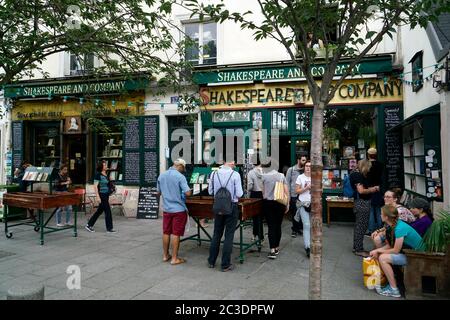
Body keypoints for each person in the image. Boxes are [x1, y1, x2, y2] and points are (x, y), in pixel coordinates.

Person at [370, 205, 423, 298]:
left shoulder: (399, 228)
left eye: (381, 214)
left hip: (417, 256)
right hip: (409, 253)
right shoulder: (392, 225)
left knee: (383, 258)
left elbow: (395, 250)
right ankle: (390, 282)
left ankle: (394, 290)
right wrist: (377, 250)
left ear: (386, 217)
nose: (380, 215)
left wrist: (378, 252)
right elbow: (391, 245)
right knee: (380, 255)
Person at [208, 160, 243, 271]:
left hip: (218, 205)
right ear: (230, 161)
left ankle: (211, 261)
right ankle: (225, 264)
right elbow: (239, 194)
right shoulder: (235, 174)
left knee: (216, 233)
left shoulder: (214, 173)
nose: (235, 163)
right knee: (229, 235)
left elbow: (210, 191)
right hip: (231, 206)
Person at [156, 158, 192, 265]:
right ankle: (174, 258)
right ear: (180, 166)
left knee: (166, 232)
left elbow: (158, 192)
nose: (183, 171)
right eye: (183, 168)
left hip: (167, 209)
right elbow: (188, 193)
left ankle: (165, 255)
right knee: (176, 233)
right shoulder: (180, 177)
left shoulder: (161, 175)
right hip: (179, 210)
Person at [350, 159, 379, 257]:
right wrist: (373, 189)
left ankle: (358, 247)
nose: (370, 169)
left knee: (361, 226)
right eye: (369, 167)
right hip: (362, 203)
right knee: (360, 226)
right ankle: (358, 249)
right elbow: (361, 191)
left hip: (362, 202)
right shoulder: (357, 175)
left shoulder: (357, 174)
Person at [261, 160, 289, 259]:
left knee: (271, 226)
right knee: (278, 225)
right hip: (280, 203)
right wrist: (287, 204)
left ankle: (272, 250)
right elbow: (286, 191)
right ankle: (276, 247)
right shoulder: (281, 176)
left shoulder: (264, 176)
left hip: (268, 203)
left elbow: (263, 192)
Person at [85, 160, 116, 233]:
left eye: (105, 165)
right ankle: (109, 228)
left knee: (99, 211)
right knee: (108, 211)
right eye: (104, 165)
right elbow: (95, 186)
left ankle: (89, 225)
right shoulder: (98, 175)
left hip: (106, 194)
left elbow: (108, 185)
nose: (106, 166)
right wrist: (97, 197)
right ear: (101, 167)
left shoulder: (106, 174)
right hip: (102, 195)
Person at [286, 155, 307, 237]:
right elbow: (287, 183)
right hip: (294, 195)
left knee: (303, 212)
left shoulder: (306, 170)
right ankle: (294, 230)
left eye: (305, 160)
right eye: (303, 160)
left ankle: (299, 229)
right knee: (295, 213)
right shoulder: (291, 170)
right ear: (298, 160)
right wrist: (288, 196)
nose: (304, 162)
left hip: (304, 195)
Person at [295, 160, 312, 258]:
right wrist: (306, 188)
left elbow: (321, 190)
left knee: (314, 226)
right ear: (304, 167)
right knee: (306, 225)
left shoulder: (316, 177)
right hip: (303, 204)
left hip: (314, 204)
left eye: (310, 166)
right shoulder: (300, 177)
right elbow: (296, 191)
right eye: (306, 166)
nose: (308, 168)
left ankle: (314, 244)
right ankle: (307, 247)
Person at [367, 148, 384, 234]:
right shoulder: (380, 165)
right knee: (378, 209)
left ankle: (371, 230)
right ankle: (380, 228)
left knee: (370, 210)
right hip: (378, 188)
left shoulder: (367, 165)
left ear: (368, 155)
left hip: (369, 189)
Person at [247, 161, 264, 243]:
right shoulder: (265, 171)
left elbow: (250, 186)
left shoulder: (251, 172)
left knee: (254, 216)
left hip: (254, 194)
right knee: (260, 217)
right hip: (263, 194)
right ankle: (261, 237)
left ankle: (254, 235)